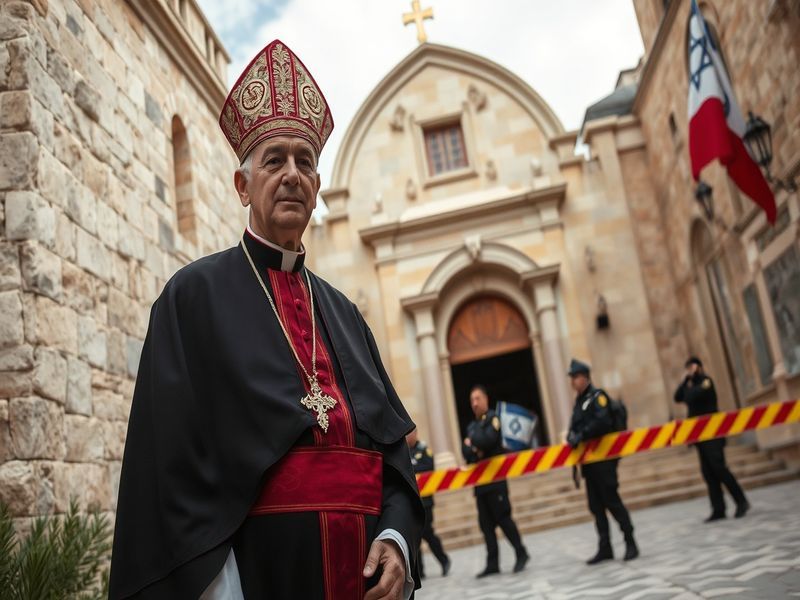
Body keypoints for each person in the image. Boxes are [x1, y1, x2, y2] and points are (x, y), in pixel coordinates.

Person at [109, 39, 423, 600]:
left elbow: (394, 460)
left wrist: (397, 538)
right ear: (242, 184)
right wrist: (219, 587)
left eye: (305, 162)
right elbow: (168, 471)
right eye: (274, 159)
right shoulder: (191, 300)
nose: (292, 175)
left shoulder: (346, 315)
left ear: (319, 188)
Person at [566, 359, 638, 565]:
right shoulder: (579, 402)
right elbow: (575, 425)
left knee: (612, 502)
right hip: (589, 465)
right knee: (596, 506)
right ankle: (605, 547)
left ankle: (630, 541)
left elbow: (602, 421)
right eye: (571, 378)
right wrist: (573, 435)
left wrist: (582, 434)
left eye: (575, 377)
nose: (572, 381)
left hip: (604, 462)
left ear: (585, 377)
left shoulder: (598, 397)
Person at [462, 385, 529, 578]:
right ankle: (493, 563)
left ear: (485, 400)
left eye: (477, 399)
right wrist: (474, 446)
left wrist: (473, 443)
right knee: (486, 525)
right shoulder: (472, 425)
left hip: (496, 482)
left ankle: (521, 552)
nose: (474, 403)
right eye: (472, 400)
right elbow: (465, 452)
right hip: (480, 485)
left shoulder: (493, 419)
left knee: (504, 519)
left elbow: (488, 441)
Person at [674, 356, 750, 522]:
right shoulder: (689, 384)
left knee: (719, 468)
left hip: (713, 433)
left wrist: (691, 382)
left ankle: (741, 501)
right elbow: (678, 397)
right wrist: (685, 380)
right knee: (708, 473)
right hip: (699, 436)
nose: (690, 370)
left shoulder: (706, 382)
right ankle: (718, 509)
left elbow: (691, 397)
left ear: (699, 367)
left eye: (692, 367)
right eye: (688, 368)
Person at [406, 429, 451, 578]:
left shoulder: (423, 449)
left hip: (426, 502)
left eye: (410, 434)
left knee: (427, 532)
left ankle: (444, 560)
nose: (407, 437)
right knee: (415, 537)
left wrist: (412, 468)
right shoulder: (405, 452)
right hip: (412, 501)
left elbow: (428, 467)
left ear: (416, 434)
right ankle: (420, 571)